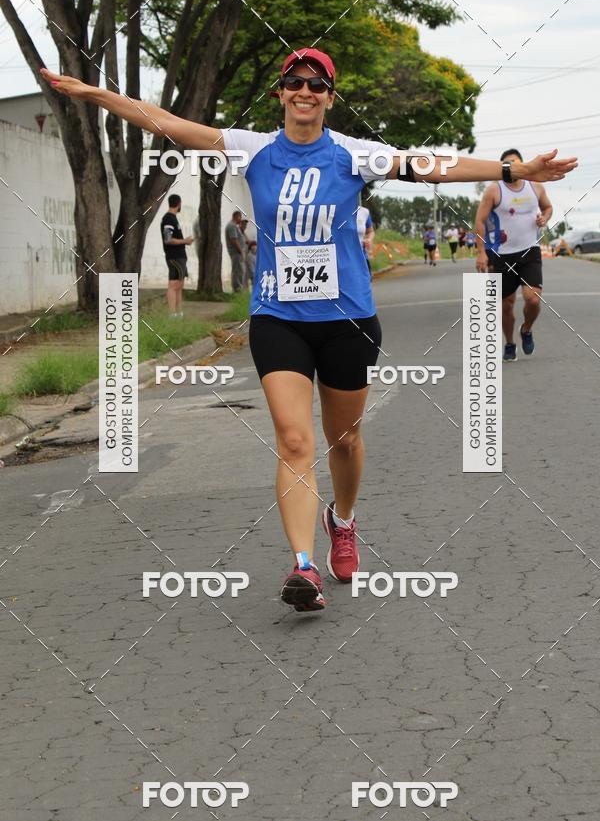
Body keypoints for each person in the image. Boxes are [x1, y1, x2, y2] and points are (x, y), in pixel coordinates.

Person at [40, 53, 576, 613]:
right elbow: (168, 124)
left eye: (316, 84)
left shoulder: (352, 154)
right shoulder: (253, 149)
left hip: (347, 319)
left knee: (343, 439)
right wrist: (94, 94)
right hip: (279, 319)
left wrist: (514, 172)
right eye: (294, 83)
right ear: (280, 94)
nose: (304, 91)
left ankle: (342, 520)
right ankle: (303, 565)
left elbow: (435, 164)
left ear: (328, 96)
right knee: (295, 440)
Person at [475, 148, 553, 361]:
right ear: (502, 169)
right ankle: (509, 343)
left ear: (523, 164)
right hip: (502, 255)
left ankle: (526, 329)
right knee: (507, 304)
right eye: (508, 165)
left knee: (533, 299)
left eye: (516, 163)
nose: (513, 168)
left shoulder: (535, 186)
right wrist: (481, 252)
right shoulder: (494, 190)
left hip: (530, 251)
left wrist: (544, 218)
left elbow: (548, 208)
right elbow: (480, 221)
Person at [160, 194, 193, 317]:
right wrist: (185, 241)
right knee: (173, 285)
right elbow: (167, 239)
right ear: (179, 203)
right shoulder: (168, 218)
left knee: (179, 285)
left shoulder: (173, 218)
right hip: (174, 256)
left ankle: (179, 313)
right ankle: (172, 314)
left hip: (180, 256)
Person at [225, 210, 245, 292]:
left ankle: (238, 287)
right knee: (237, 270)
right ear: (236, 216)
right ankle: (237, 288)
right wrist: (240, 251)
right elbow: (234, 240)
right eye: (240, 217)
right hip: (236, 252)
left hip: (237, 252)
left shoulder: (234, 226)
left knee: (239, 270)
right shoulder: (232, 226)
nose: (240, 220)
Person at [356, 205, 375, 276]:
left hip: (362, 257)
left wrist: (369, 239)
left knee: (364, 285)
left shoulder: (364, 211)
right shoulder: (336, 210)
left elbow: (370, 231)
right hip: (342, 259)